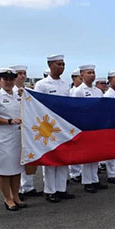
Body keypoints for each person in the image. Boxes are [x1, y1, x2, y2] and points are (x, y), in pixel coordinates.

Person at [34, 54, 74, 202]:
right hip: (48, 127)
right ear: (50, 65)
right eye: (58, 64)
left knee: (63, 158)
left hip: (63, 126)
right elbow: (37, 106)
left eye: (63, 64)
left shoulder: (65, 85)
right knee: (50, 158)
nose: (61, 67)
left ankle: (61, 188)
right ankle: (50, 190)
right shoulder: (42, 85)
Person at [0, 68, 27, 211]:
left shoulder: (19, 95)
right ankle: (7, 198)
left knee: (17, 168)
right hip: (3, 136)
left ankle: (16, 196)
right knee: (4, 170)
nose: (8, 82)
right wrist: (9, 121)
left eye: (11, 79)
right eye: (5, 79)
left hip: (18, 136)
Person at [72, 64, 108, 193]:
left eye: (93, 72)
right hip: (85, 126)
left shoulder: (97, 91)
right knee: (87, 155)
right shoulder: (78, 91)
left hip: (96, 126)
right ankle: (87, 182)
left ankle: (94, 179)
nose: (92, 75)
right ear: (82, 75)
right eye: (89, 73)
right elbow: (75, 110)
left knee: (95, 154)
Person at [11, 64, 42, 199]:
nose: (22, 76)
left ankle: (28, 187)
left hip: (28, 130)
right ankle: (16, 191)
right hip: (12, 131)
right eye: (19, 73)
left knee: (28, 158)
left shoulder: (28, 91)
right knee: (14, 162)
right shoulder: (8, 91)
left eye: (24, 73)